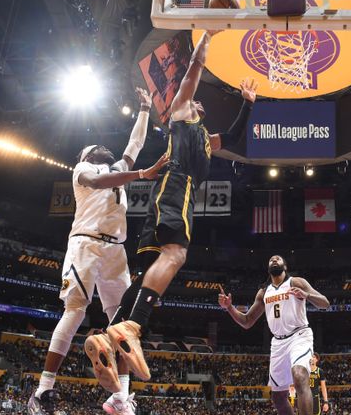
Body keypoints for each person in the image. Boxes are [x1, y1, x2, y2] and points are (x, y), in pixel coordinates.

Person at [90, 28, 258, 385]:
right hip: (176, 187)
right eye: (196, 101)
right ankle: (134, 326)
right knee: (176, 255)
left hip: (169, 193)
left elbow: (234, 136)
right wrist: (208, 35)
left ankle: (108, 336)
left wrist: (248, 103)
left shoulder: (206, 139)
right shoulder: (182, 113)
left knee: (153, 265)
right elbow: (194, 70)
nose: (199, 103)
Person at [29, 87, 169, 415]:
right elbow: (102, 178)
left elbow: (133, 146)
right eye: (97, 147)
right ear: (87, 155)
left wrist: (144, 108)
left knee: (121, 325)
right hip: (86, 245)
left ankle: (121, 397)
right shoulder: (84, 171)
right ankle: (43, 389)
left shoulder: (117, 168)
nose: (104, 147)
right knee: (75, 312)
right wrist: (140, 175)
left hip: (115, 251)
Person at [218, 255, 330, 415]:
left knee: (299, 375)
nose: (274, 259)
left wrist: (306, 294)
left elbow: (325, 303)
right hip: (278, 343)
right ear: (268, 268)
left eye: (278, 258)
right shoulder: (264, 292)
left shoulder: (296, 282)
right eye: (271, 258)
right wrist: (229, 308)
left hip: (300, 335)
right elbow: (247, 321)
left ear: (284, 266)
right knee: (278, 397)